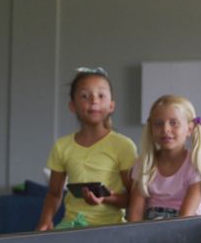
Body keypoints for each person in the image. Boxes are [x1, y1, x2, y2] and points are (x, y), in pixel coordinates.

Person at [36, 68, 137, 230]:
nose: (93, 100)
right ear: (72, 106)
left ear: (111, 106)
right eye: (84, 96)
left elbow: (134, 197)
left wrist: (105, 198)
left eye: (101, 95)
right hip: (71, 226)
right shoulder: (62, 146)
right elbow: (54, 194)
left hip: (111, 228)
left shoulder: (124, 145)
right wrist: (45, 221)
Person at [128, 94, 201, 221]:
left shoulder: (196, 166)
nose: (165, 129)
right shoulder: (143, 164)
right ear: (150, 128)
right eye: (159, 123)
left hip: (185, 233)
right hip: (149, 234)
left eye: (174, 123)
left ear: (189, 129)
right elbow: (135, 215)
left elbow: (185, 218)